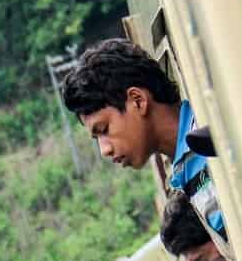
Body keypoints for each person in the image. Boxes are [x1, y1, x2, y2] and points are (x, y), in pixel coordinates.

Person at [61, 38, 225, 237]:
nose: (104, 150)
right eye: (96, 139)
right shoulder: (181, 173)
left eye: (104, 129)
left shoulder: (210, 137)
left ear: (138, 101)